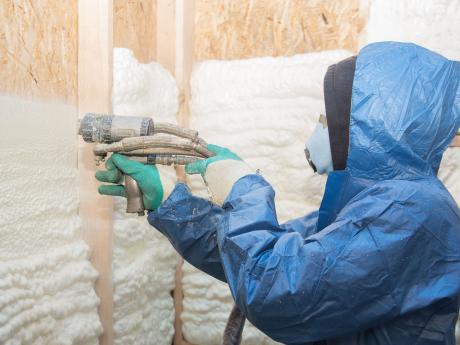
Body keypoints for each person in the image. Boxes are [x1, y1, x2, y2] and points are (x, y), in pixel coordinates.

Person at [96, 42, 460, 344]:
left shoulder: (411, 212)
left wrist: (245, 188)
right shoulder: (375, 202)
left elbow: (277, 292)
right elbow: (261, 254)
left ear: (375, 126)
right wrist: (171, 202)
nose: (322, 126)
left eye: (330, 117)